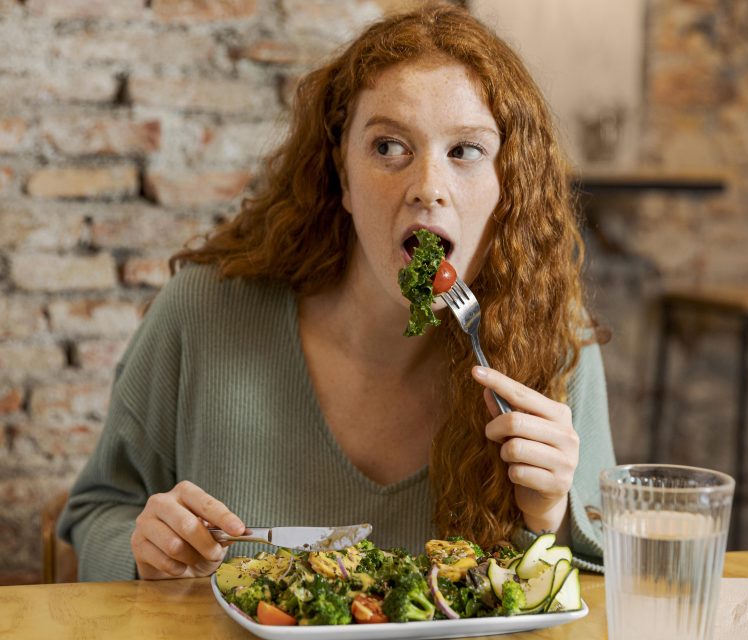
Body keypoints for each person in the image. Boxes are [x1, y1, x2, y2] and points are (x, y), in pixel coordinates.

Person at [57, 1, 615, 582]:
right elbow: (95, 513)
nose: (428, 187)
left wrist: (549, 520)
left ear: (509, 188)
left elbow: (602, 584)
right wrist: (143, 554)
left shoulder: (554, 340)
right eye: (388, 147)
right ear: (342, 176)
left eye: (465, 151)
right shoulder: (203, 312)